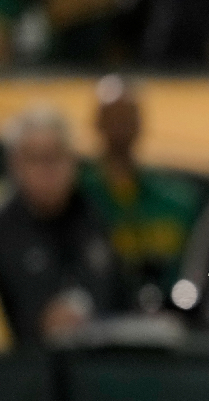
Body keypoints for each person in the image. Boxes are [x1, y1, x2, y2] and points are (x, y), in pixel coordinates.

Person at [0, 106, 121, 347]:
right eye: (36, 159)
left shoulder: (94, 215)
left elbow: (119, 292)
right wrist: (37, 322)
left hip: (95, 367)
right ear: (15, 164)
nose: (48, 170)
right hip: (20, 370)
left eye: (57, 156)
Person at [78, 75, 202, 307]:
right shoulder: (77, 195)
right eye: (112, 117)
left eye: (127, 117)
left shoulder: (177, 201)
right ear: (97, 123)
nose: (119, 126)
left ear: (140, 123)